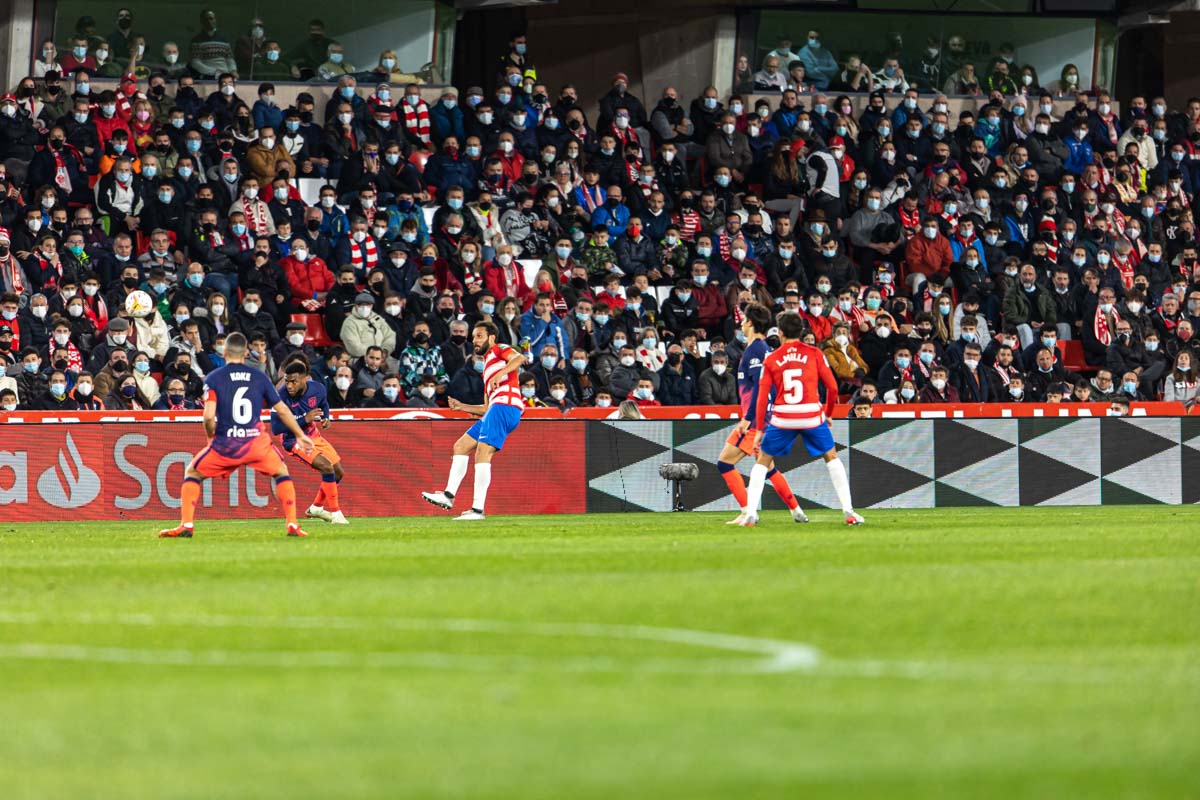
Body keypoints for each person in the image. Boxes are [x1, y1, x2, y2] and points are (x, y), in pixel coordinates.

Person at [158, 332, 314, 539]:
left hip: (226, 443)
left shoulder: (214, 378)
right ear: (246, 352)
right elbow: (282, 409)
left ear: (224, 352)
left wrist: (210, 440)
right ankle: (292, 524)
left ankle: (186, 525)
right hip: (256, 443)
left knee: (193, 473)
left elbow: (208, 417)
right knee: (281, 472)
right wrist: (299, 434)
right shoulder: (260, 377)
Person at [739, 311, 863, 527]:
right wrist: (829, 413)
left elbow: (761, 397)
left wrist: (759, 429)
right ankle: (849, 512)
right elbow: (832, 388)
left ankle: (750, 513)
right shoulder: (815, 353)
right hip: (811, 416)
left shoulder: (772, 358)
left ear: (780, 332)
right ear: (801, 331)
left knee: (763, 462)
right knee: (831, 457)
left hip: (783, 417)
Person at [422, 321, 525, 520]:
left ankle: (477, 510)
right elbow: (487, 408)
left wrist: (501, 374)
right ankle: (448, 495)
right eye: (474, 338)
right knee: (461, 446)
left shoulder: (499, 348)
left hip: (506, 406)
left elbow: (519, 357)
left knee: (482, 453)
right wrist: (462, 407)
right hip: (497, 409)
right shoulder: (487, 367)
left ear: (492, 338)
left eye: (479, 336)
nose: (475, 341)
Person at [719, 303, 806, 525]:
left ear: (749, 322)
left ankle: (748, 511)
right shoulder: (764, 349)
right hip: (765, 418)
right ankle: (796, 510)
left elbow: (760, 386)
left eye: (743, 319)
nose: (740, 322)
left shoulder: (756, 350)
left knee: (725, 462)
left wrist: (748, 418)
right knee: (768, 467)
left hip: (756, 420)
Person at [271, 358, 349, 525]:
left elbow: (324, 404)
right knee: (326, 467)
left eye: (294, 381)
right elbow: (276, 428)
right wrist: (305, 419)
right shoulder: (280, 397)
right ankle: (336, 514)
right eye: (287, 381)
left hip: (314, 435)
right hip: (294, 440)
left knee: (338, 472)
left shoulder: (318, 389)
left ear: (305, 378)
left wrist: (326, 417)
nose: (289, 386)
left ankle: (316, 507)